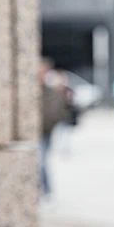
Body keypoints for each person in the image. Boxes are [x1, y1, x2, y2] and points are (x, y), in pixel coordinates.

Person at [39, 58, 71, 199]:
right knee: (39, 162)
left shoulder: (52, 91)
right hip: (36, 132)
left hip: (45, 131)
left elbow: (58, 111)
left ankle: (46, 191)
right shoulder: (31, 91)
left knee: (41, 162)